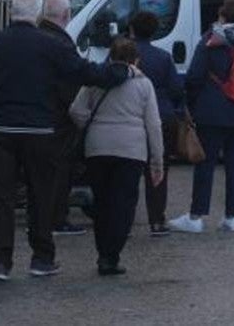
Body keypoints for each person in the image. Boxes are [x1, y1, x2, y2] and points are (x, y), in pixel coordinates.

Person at [0, 0, 129, 281]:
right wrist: (118, 73)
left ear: (12, 12)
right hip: (40, 131)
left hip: (0, 130)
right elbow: (84, 72)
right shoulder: (49, 45)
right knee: (42, 194)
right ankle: (41, 257)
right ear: (37, 15)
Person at [69, 38, 164, 276]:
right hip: (131, 150)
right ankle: (112, 255)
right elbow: (153, 124)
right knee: (123, 203)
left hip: (98, 147)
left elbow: (76, 110)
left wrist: (90, 126)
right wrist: (157, 160)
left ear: (110, 58)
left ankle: (103, 253)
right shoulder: (144, 84)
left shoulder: (96, 81)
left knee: (101, 202)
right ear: (136, 60)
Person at [168, 0, 234, 234]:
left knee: (205, 164)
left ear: (223, 15)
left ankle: (196, 217)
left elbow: (195, 76)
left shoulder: (212, 39)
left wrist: (192, 104)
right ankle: (232, 217)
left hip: (213, 112)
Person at [130, 10, 185, 237]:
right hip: (162, 118)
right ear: (154, 32)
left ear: (132, 30)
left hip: (131, 119)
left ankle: (126, 220)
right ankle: (156, 220)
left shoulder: (123, 55)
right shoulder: (163, 57)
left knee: (129, 173)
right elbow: (175, 89)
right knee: (157, 170)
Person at [37, 0, 86, 237]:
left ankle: (44, 217)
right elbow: (72, 83)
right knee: (59, 171)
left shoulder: (39, 37)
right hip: (57, 118)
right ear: (66, 15)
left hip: (38, 114)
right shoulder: (62, 43)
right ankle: (56, 218)